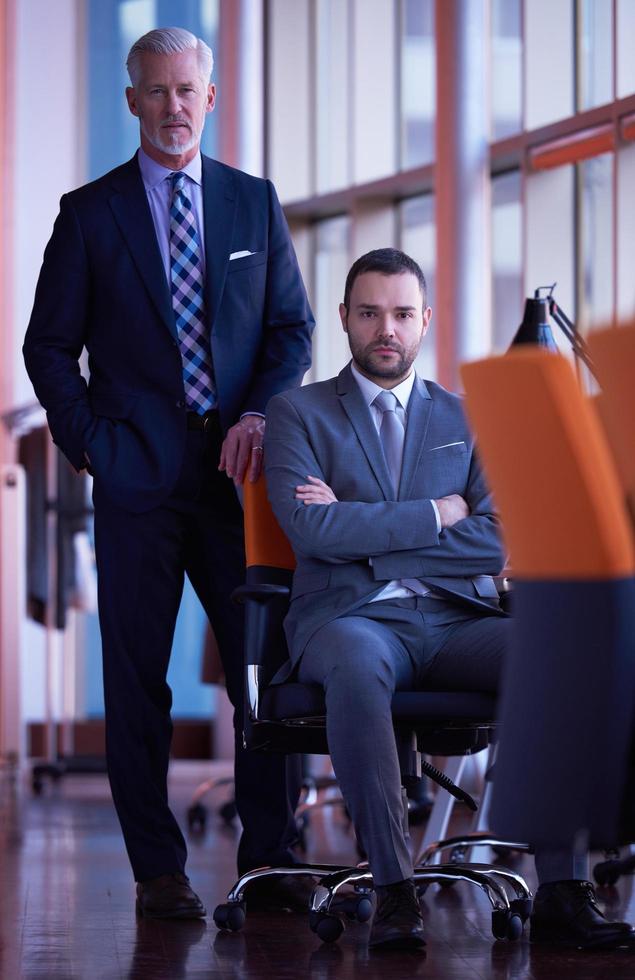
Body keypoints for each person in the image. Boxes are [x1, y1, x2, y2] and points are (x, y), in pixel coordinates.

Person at [23, 27, 314, 919]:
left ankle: (272, 860)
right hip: (136, 479)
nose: (174, 106)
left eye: (187, 90)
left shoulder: (253, 204)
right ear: (132, 101)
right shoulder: (89, 213)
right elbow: (47, 348)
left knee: (263, 670)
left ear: (210, 97)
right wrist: (90, 444)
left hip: (241, 476)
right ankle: (158, 872)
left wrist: (261, 412)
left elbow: (290, 330)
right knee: (137, 676)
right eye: (156, 91)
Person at [264, 248, 633, 950]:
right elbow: (311, 527)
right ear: (343, 318)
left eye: (402, 314)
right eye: (369, 313)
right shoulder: (298, 413)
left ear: (424, 320)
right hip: (351, 619)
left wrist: (360, 529)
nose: (386, 330)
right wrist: (439, 511)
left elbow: (498, 539)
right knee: (353, 665)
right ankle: (395, 890)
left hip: (456, 620)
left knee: (556, 655)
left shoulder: (465, 417)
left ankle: (562, 886)